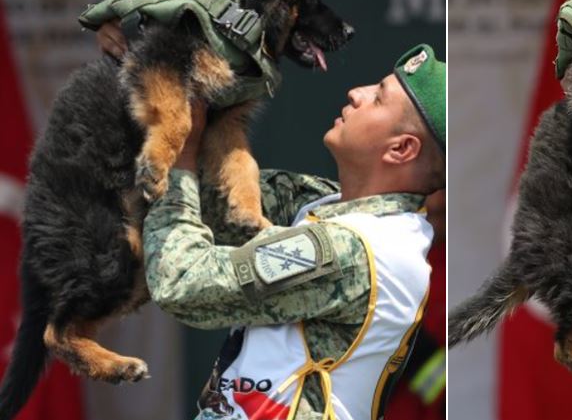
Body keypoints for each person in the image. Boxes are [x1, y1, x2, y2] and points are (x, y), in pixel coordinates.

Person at [99, 22, 446, 420]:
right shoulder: (331, 204)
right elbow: (211, 204)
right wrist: (150, 63)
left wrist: (175, 154)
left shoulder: (355, 248)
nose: (357, 92)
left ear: (401, 149)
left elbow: (184, 283)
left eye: (378, 99)